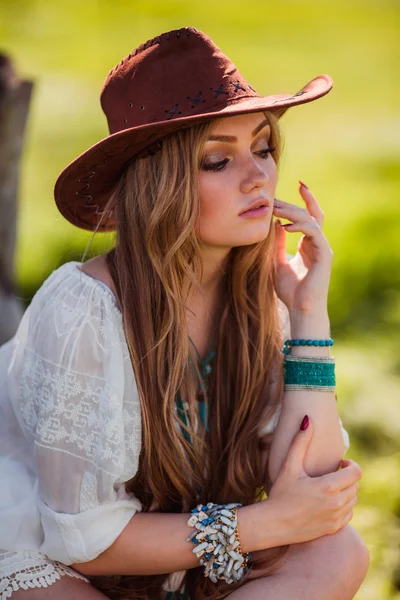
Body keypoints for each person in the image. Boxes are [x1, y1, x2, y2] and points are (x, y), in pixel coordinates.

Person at [0, 27, 369, 600]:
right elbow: (85, 544)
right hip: (52, 552)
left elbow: (316, 488)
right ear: (158, 184)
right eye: (218, 160)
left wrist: (308, 315)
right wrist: (266, 524)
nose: (258, 177)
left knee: (338, 553)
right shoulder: (86, 308)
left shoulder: (259, 296)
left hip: (186, 553)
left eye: (264, 148)